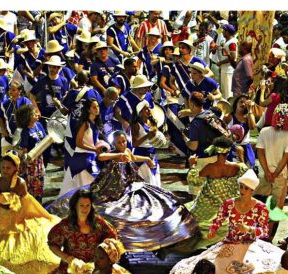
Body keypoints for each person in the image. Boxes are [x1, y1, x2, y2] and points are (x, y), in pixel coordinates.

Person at [137, 169, 285, 274]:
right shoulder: (229, 203)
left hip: (250, 246)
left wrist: (249, 229)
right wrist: (213, 230)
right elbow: (218, 220)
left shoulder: (260, 208)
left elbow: (264, 231)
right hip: (229, 243)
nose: (242, 190)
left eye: (246, 188)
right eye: (240, 186)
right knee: (203, 270)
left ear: (252, 190)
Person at [47, 131, 195, 252]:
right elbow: (101, 156)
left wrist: (146, 159)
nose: (122, 145)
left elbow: (133, 157)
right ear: (114, 144)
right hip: (113, 187)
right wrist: (118, 155)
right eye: (119, 143)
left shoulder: (127, 151)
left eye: (124, 142)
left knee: (159, 200)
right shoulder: (112, 155)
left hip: (132, 183)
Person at [0, 152, 61, 274]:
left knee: (21, 237)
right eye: (2, 167)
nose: (4, 170)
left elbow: (11, 206)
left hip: (20, 214)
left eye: (8, 168)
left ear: (16, 169)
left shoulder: (19, 183)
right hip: (1, 216)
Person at [23, 189, 118, 274]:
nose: (85, 209)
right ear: (75, 206)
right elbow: (53, 244)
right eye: (81, 205)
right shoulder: (65, 225)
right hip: (70, 267)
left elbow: (111, 237)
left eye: (88, 205)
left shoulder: (98, 223)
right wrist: (68, 258)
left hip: (94, 268)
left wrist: (104, 254)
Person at [184, 137, 250, 249]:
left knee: (188, 216)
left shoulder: (210, 168)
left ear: (215, 151)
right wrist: (241, 157)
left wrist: (192, 165)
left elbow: (194, 180)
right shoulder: (237, 167)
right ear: (228, 152)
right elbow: (247, 175)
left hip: (210, 204)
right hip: (229, 204)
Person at [256, 103, 288, 216]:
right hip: (279, 177)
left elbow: (260, 153)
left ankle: (262, 232)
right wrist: (274, 174)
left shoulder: (264, 131)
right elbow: (285, 158)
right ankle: (271, 233)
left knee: (261, 206)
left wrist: (267, 172)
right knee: (275, 210)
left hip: (263, 175)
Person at [59, 98, 103, 198]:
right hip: (81, 159)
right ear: (88, 110)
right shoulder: (85, 124)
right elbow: (78, 143)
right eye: (94, 107)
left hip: (90, 157)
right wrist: (94, 149)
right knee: (82, 188)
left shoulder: (95, 123)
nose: (97, 109)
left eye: (98, 106)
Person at [14, 104, 47, 198]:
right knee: (31, 184)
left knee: (40, 181)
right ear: (27, 117)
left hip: (39, 158)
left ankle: (38, 202)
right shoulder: (25, 131)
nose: (37, 114)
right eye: (33, 114)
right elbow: (24, 150)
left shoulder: (39, 125)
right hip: (30, 162)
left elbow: (44, 139)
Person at [131, 101, 163, 186]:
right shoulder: (136, 125)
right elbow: (134, 144)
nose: (149, 110)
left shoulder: (153, 122)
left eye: (149, 108)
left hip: (153, 153)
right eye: (146, 109)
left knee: (155, 179)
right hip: (141, 153)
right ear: (140, 112)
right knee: (147, 181)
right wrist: (146, 136)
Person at [231, 95, 257, 167]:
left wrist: (250, 110)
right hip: (232, 147)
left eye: (245, 103)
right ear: (236, 103)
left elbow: (252, 127)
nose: (243, 104)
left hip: (246, 147)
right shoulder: (228, 116)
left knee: (248, 169)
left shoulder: (249, 116)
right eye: (241, 102)